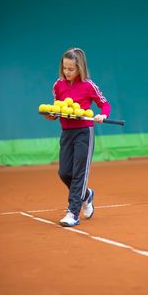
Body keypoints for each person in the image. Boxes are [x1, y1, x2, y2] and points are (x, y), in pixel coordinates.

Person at [44, 47, 111, 226]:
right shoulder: (58, 85)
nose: (67, 72)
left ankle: (73, 213)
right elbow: (57, 109)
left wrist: (102, 116)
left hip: (84, 133)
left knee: (79, 173)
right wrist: (52, 115)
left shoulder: (89, 85)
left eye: (71, 69)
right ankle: (87, 195)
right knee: (64, 172)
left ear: (79, 68)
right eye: (64, 68)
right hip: (66, 132)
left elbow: (105, 105)